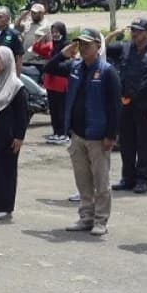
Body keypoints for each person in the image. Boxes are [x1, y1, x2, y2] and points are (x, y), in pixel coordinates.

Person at [44, 29, 121, 236]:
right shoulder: (75, 67)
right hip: (77, 134)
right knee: (83, 180)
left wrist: (111, 136)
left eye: (88, 44)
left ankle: (101, 220)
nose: (84, 48)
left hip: (98, 136)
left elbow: (114, 107)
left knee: (101, 181)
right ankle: (86, 217)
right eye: (81, 44)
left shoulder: (107, 71)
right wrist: (63, 53)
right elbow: (49, 68)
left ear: (98, 46)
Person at [106, 17, 147, 194]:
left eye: (138, 31)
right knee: (126, 143)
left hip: (146, 105)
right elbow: (101, 48)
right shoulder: (124, 48)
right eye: (133, 30)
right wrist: (114, 34)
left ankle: (143, 179)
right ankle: (128, 178)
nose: (134, 33)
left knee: (144, 144)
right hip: (126, 103)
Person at [0, 46, 29, 221]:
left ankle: (4, 206)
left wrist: (19, 137)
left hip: (9, 137)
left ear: (8, 60)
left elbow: (22, 114)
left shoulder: (16, 86)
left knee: (6, 170)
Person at [31, 21, 70, 145]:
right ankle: (56, 132)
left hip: (61, 81)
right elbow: (35, 48)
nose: (54, 34)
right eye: (53, 32)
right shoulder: (51, 45)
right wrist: (44, 37)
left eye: (57, 32)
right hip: (51, 82)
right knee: (53, 109)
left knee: (61, 109)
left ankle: (63, 133)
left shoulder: (67, 45)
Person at [0, 6, 25, 75]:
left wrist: (17, 76)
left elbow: (19, 57)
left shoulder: (14, 34)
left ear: (8, 18)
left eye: (0, 17)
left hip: (9, 72)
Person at [15, 3, 51, 68]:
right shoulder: (28, 23)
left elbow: (50, 44)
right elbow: (16, 28)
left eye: (35, 13)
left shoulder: (47, 26)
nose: (32, 15)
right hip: (25, 60)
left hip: (38, 62)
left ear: (41, 13)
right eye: (32, 12)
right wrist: (21, 17)